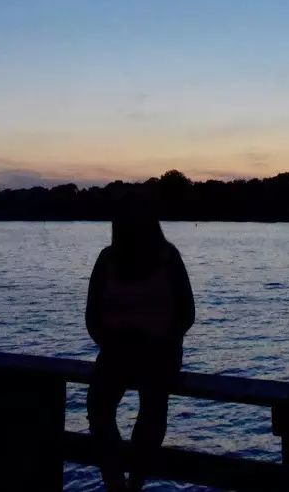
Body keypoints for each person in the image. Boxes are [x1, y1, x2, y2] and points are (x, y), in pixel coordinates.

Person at [85, 200, 195, 492]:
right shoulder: (107, 260)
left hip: (160, 352)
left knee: (151, 407)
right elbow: (92, 316)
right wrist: (111, 341)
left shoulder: (168, 258)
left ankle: (131, 483)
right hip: (118, 351)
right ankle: (116, 481)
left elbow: (187, 313)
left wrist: (162, 339)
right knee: (99, 409)